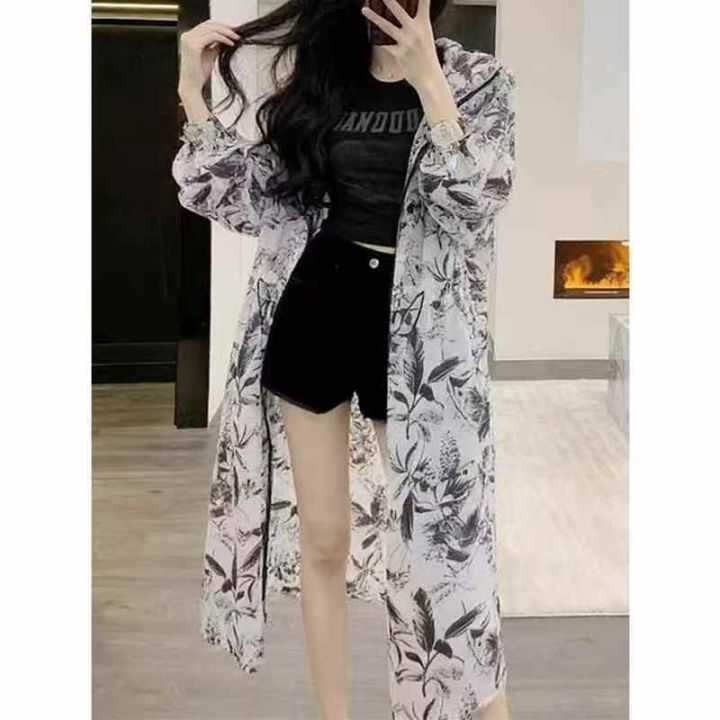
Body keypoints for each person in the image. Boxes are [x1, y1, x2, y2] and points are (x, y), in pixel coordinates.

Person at [171, 1, 517, 719]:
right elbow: (240, 197)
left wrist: (429, 83)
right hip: (319, 308)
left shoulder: (478, 81)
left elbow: (476, 201)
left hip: (420, 340)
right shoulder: (325, 78)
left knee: (444, 549)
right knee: (324, 541)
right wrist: (191, 94)